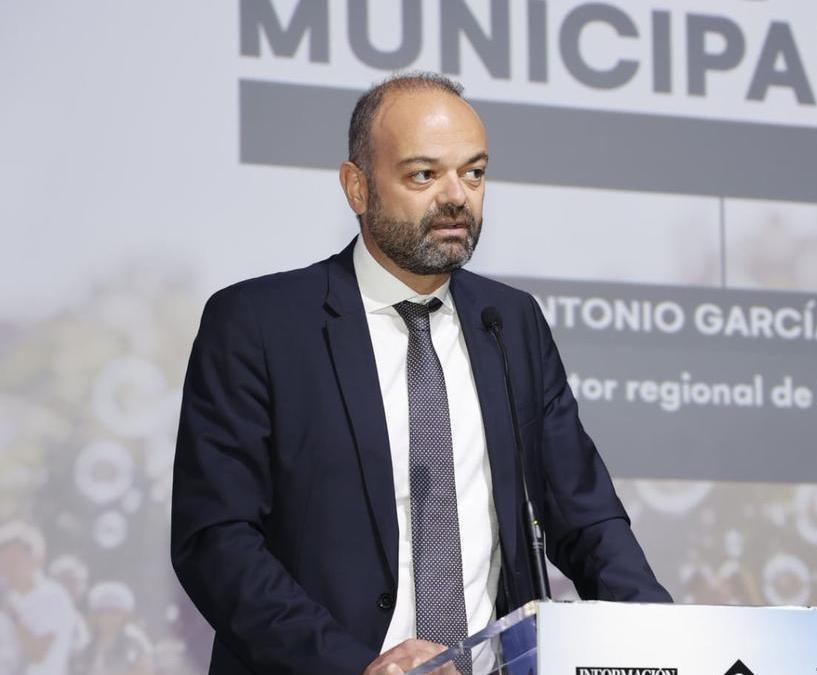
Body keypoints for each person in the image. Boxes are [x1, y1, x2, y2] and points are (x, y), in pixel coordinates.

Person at [171, 72, 670, 675]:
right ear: (357, 186)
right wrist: (357, 666)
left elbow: (585, 518)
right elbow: (216, 540)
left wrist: (664, 637)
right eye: (424, 175)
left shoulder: (510, 322)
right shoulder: (257, 323)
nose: (457, 196)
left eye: (474, 172)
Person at [0, 522, 77, 675]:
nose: (6, 569)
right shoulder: (8, 596)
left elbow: (38, 654)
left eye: (14, 562)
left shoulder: (53, 597)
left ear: (36, 560)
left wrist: (13, 615)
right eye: (3, 562)